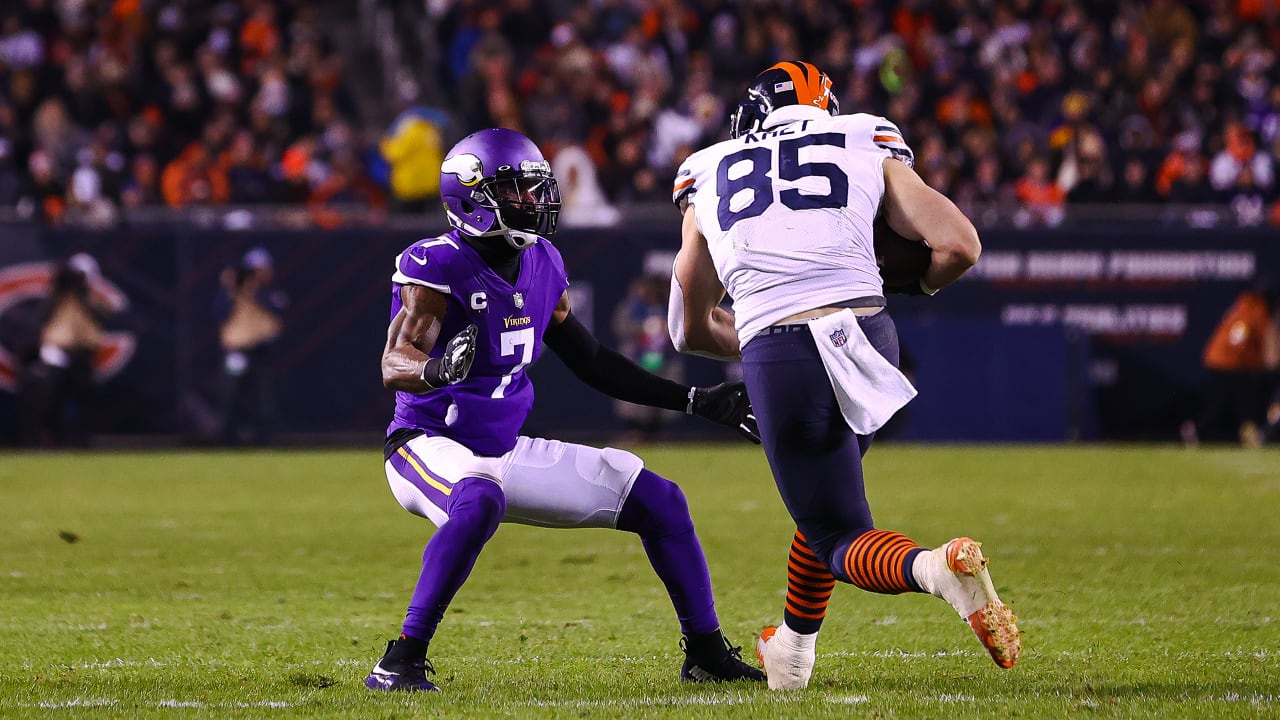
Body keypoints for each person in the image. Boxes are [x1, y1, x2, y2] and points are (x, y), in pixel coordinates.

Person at [365, 128, 765, 692]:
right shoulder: (436, 265)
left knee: (659, 499)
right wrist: (436, 371)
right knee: (479, 498)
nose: (534, 202)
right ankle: (400, 659)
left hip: (500, 451)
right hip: (425, 444)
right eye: (517, 191)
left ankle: (704, 652)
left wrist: (695, 401)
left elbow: (592, 361)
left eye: (536, 189)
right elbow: (393, 362)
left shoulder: (543, 261)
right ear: (473, 197)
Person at [667, 61, 1020, 690]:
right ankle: (793, 654)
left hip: (783, 347)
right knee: (826, 498)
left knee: (835, 529)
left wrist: (758, 347)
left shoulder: (709, 165)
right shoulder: (864, 136)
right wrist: (913, 284)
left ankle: (937, 569)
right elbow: (960, 246)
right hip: (869, 335)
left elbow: (689, 326)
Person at [19, 253, 113, 446]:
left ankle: (80, 439)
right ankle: (49, 437)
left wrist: (82, 293)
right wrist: (58, 290)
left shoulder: (93, 296)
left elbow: (103, 314)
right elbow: (42, 315)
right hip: (57, 351)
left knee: (82, 396)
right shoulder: (56, 295)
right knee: (52, 396)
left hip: (83, 351)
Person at [1181, 279, 1280, 448]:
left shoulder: (1244, 304)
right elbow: (1271, 359)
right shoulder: (1259, 314)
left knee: (1224, 401)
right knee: (1242, 400)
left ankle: (1199, 431)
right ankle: (1254, 433)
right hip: (1231, 363)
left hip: (1217, 359)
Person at [213, 247, 286, 446]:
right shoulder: (231, 293)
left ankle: (265, 441)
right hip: (236, 351)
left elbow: (276, 314)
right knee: (229, 397)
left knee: (265, 400)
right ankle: (228, 441)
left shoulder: (268, 294)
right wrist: (229, 288)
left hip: (261, 352)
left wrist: (253, 291)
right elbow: (219, 315)